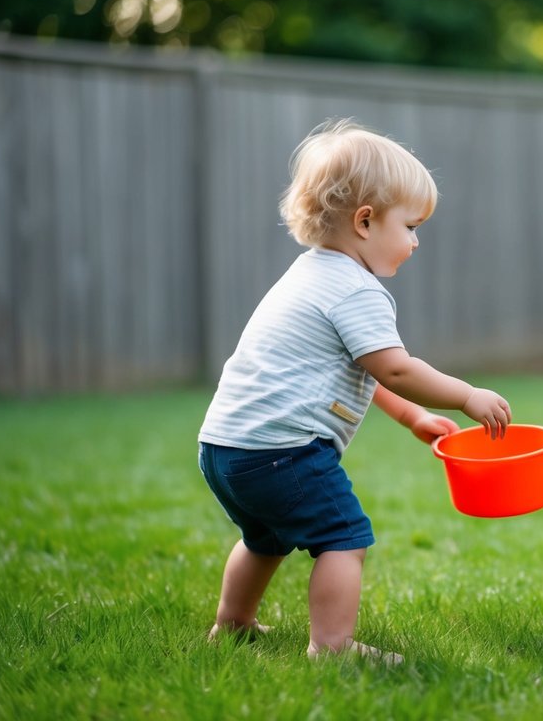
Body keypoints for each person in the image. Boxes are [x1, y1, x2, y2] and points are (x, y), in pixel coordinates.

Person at [198, 119, 511, 663]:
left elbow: (365, 370)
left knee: (265, 537)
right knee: (344, 537)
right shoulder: (355, 290)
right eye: (411, 226)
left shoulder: (307, 274)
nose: (415, 241)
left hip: (227, 449)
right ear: (365, 221)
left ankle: (234, 622)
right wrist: (464, 395)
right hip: (283, 452)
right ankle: (333, 645)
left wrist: (414, 418)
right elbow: (395, 369)